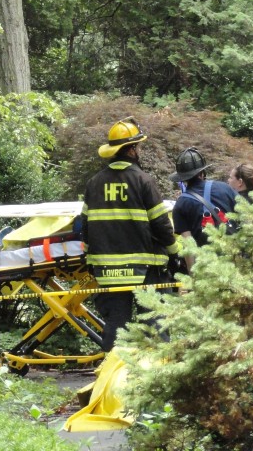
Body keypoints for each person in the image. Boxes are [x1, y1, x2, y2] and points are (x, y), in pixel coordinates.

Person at [81, 118, 180, 352]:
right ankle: (157, 374)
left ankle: (111, 378)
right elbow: (161, 224)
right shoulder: (143, 181)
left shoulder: (94, 183)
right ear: (132, 149)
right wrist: (174, 253)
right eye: (139, 146)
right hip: (145, 269)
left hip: (107, 271)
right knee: (154, 322)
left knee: (116, 326)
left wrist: (90, 258)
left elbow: (85, 227)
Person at [171, 147, 237, 271]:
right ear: (202, 172)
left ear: (182, 178)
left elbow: (189, 246)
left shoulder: (181, 204)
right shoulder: (225, 188)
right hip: (236, 261)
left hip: (208, 269)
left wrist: (194, 278)